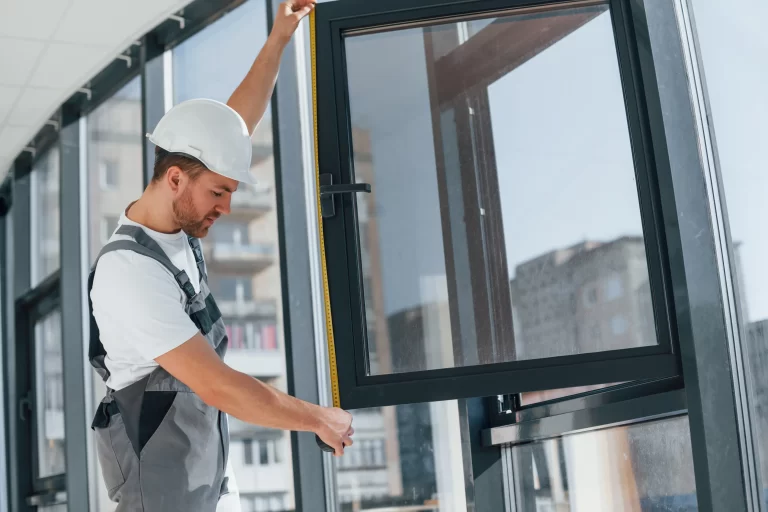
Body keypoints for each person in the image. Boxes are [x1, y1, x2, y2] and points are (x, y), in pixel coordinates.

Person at [87, 1, 354, 510]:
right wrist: (316, 417)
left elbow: (236, 126)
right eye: (218, 193)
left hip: (205, 478)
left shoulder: (178, 226)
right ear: (174, 179)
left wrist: (279, 35)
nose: (227, 208)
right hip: (164, 498)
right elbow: (217, 385)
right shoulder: (130, 272)